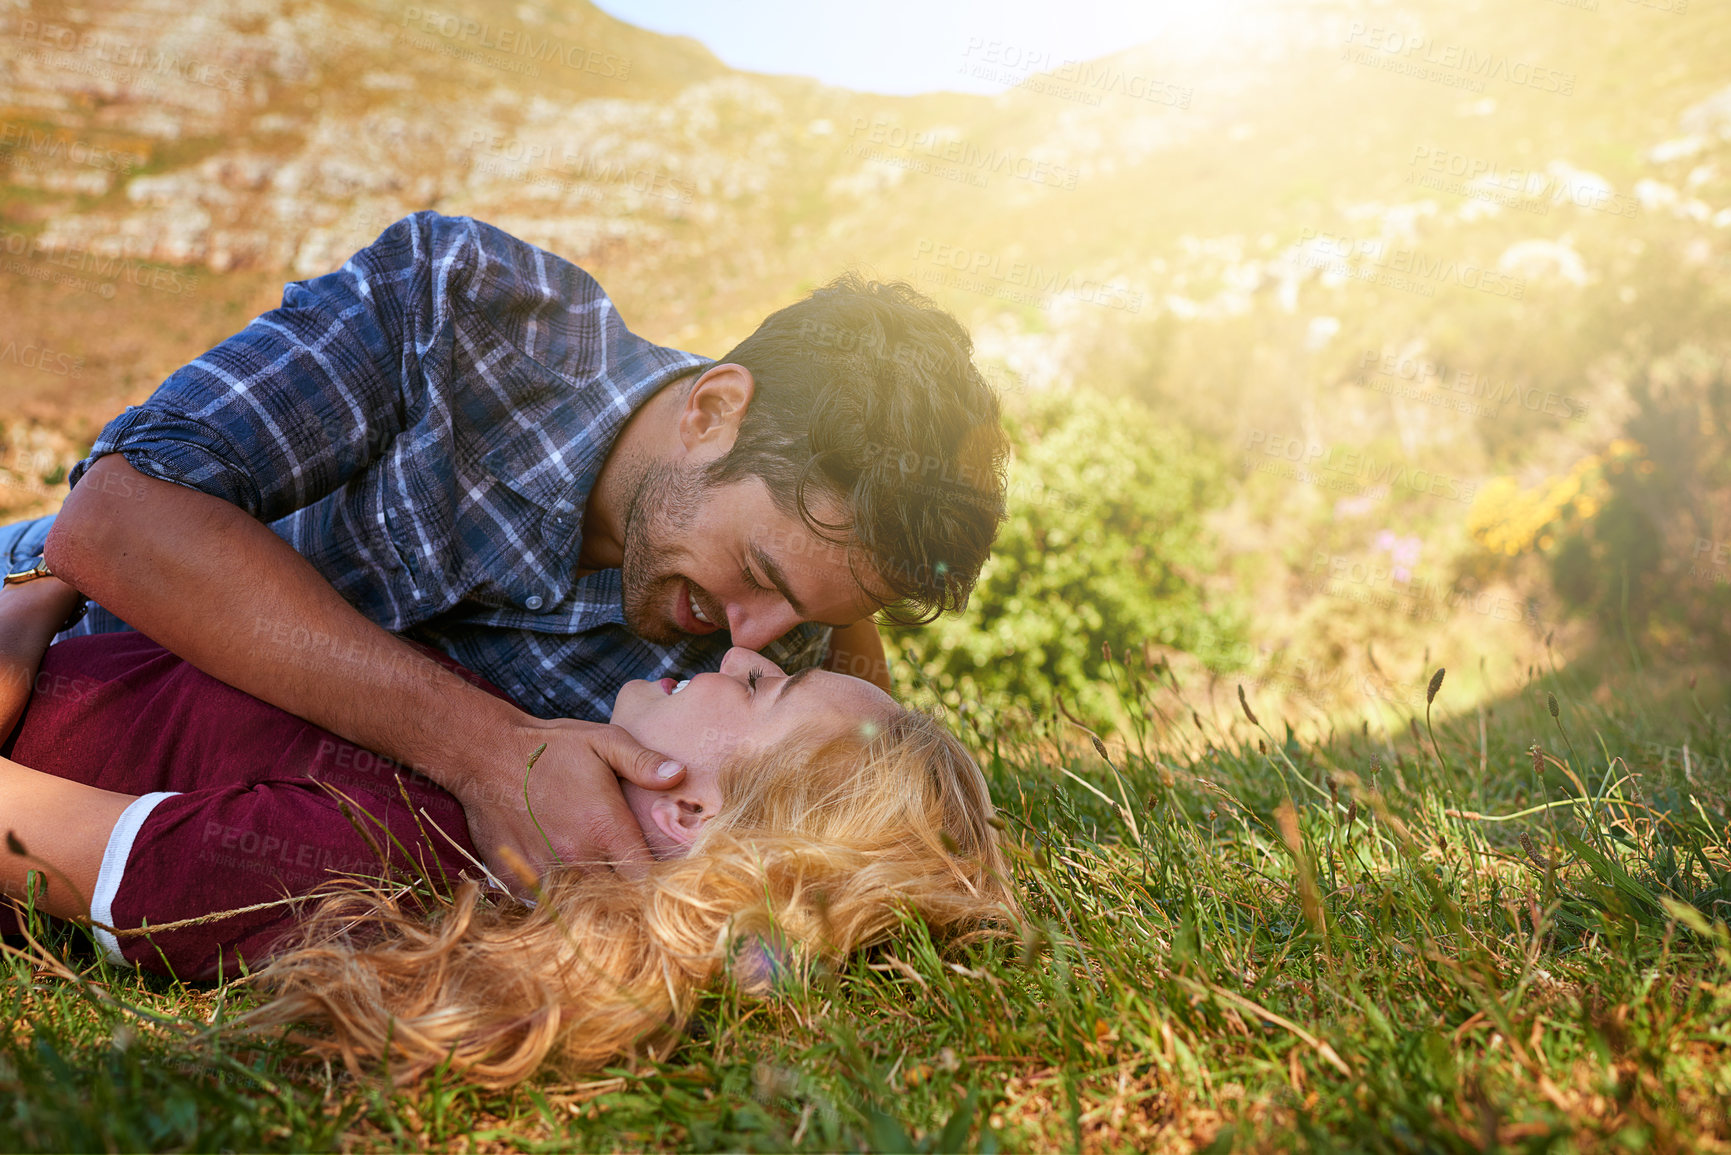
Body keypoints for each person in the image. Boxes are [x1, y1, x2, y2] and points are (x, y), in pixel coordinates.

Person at [0, 211, 1010, 888]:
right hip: (38, 621)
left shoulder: (756, 660)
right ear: (712, 411)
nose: (750, 642)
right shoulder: (463, 308)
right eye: (759, 574)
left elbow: (855, 791)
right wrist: (482, 750)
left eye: (810, 622)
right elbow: (115, 521)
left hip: (153, 795)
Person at [0, 574, 1014, 1084]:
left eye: (765, 691)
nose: (744, 657)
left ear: (693, 812)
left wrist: (36, 596)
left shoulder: (374, 865)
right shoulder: (508, 764)